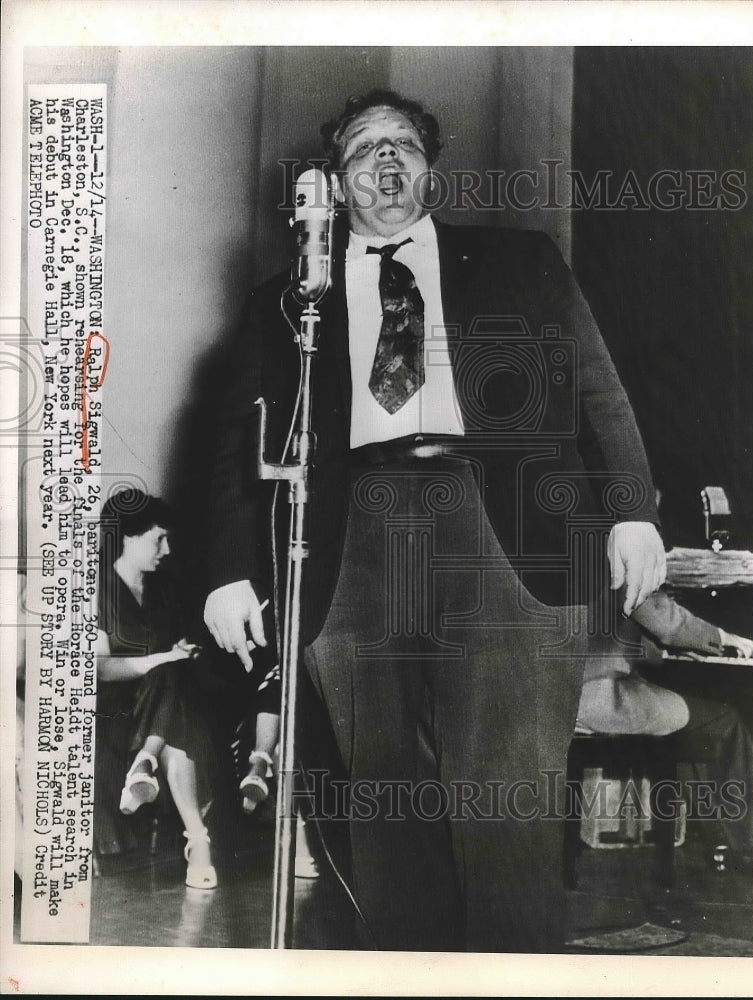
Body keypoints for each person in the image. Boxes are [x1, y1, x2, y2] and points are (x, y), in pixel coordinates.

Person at [203, 89, 666, 952]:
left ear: (430, 166)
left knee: (509, 791)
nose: (387, 160)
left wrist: (633, 512)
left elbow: (600, 390)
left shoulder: (518, 259)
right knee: (380, 793)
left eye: (405, 145)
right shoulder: (290, 299)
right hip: (356, 538)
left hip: (506, 528)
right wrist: (230, 570)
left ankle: (515, 968)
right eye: (365, 149)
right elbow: (242, 436)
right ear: (335, 184)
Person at [577, 585, 753, 856]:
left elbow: (610, 622)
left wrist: (669, 652)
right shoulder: (622, 546)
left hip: (557, 694)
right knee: (722, 719)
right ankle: (744, 844)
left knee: (687, 713)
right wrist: (721, 637)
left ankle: (718, 833)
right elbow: (661, 618)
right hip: (599, 700)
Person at [96, 489, 218, 889]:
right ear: (127, 537)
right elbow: (99, 669)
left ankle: (146, 763)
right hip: (116, 711)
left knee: (176, 682)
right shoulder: (93, 588)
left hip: (163, 707)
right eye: (158, 539)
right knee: (174, 689)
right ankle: (197, 844)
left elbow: (174, 655)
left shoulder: (165, 588)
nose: (167, 549)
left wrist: (179, 653)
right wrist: (161, 660)